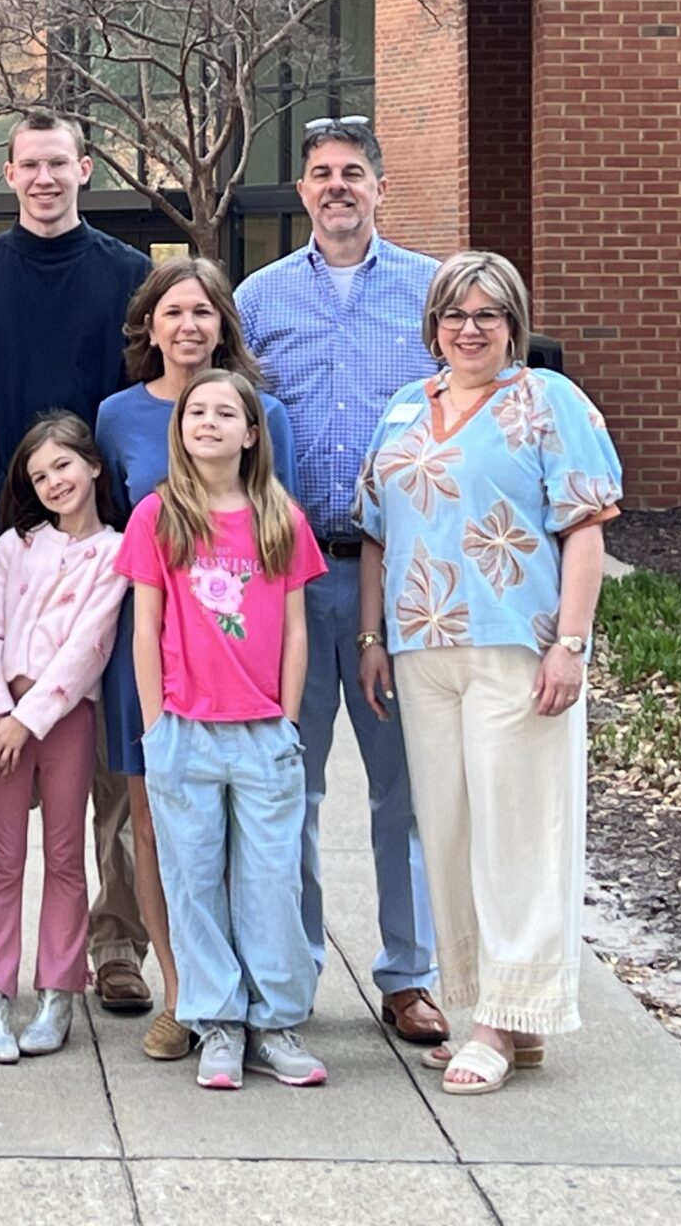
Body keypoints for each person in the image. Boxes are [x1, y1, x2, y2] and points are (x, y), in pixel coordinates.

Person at [354, 251, 621, 1096]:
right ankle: (502, 1010)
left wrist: (571, 644)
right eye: (454, 314)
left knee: (518, 832)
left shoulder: (550, 401)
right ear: (432, 325)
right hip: (421, 648)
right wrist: (371, 636)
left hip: (516, 644)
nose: (469, 329)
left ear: (514, 325)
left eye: (487, 315)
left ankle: (500, 1025)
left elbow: (584, 527)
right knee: (450, 832)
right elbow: (375, 532)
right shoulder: (406, 405)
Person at [0, 105, 155, 1019]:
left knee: (105, 750)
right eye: (29, 165)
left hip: (106, 543)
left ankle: (116, 943)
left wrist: (93, 512)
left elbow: (138, 401)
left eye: (59, 163)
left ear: (85, 169)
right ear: (10, 174)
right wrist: (4, 508)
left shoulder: (130, 276)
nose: (44, 178)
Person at [235, 115, 448, 1049]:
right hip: (292, 577)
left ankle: (410, 975)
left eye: (353, 172)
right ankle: (295, 971)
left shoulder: (432, 293)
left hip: (399, 578)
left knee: (403, 790)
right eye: (321, 173)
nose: (336, 187)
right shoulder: (259, 299)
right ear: (303, 192)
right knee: (293, 785)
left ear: (380, 187)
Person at [94, 258, 296, 1063]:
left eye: (203, 312)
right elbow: (118, 529)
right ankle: (184, 995)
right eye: (173, 311)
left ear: (223, 326)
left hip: (243, 668)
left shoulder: (264, 413)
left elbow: (276, 535)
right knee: (154, 825)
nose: (188, 325)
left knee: (250, 840)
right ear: (149, 324)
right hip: (152, 653)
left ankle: (253, 1001)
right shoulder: (116, 416)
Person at [117, 368, 328, 1092]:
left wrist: (287, 719)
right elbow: (145, 628)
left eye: (225, 413)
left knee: (271, 882)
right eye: (195, 412)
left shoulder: (280, 518)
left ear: (251, 433)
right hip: (184, 730)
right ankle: (218, 1023)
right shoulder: (159, 517)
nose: (208, 422)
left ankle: (275, 1021)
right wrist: (156, 726)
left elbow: (295, 630)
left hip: (263, 732)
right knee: (194, 881)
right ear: (179, 431)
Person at [0, 413, 128, 1064]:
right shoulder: (15, 546)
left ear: (93, 465)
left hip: (65, 719)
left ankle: (58, 989)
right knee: (2, 860)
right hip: (1, 722)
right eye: (39, 476)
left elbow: (89, 645)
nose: (54, 482)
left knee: (65, 856)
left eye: (63, 465)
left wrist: (30, 717)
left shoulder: (115, 552)